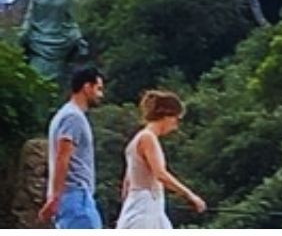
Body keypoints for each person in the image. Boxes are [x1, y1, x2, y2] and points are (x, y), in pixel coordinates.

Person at [115, 90, 206, 229]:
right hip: (146, 208)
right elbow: (160, 174)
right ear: (167, 116)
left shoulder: (135, 141)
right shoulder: (148, 138)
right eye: (177, 119)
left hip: (142, 205)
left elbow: (127, 184)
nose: (176, 126)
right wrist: (190, 195)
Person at [39, 66, 105, 228]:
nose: (101, 95)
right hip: (76, 196)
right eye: (99, 89)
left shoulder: (66, 114)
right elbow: (63, 156)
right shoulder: (73, 117)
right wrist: (55, 197)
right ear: (86, 87)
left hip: (73, 197)